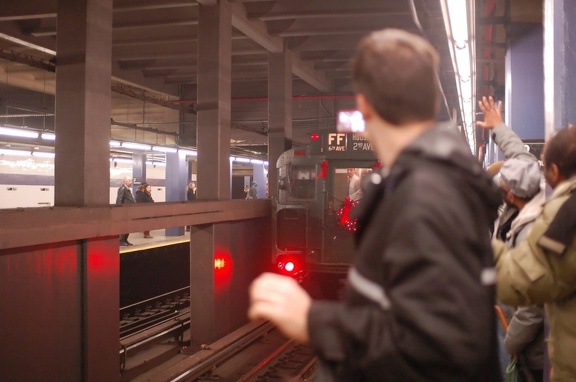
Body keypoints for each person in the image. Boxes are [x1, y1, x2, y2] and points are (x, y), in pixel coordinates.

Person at [249, 29, 503, 381]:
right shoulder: (423, 184)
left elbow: (442, 348)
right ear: (429, 103)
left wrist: (312, 320)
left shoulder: (428, 195)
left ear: (365, 104)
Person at [490, 124, 576, 381]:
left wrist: (470, 233)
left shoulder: (564, 216)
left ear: (554, 171)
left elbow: (520, 283)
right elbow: (522, 160)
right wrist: (498, 128)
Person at [477, 95, 545, 382]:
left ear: (512, 195)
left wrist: (509, 344)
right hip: (508, 311)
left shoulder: (530, 232)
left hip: (522, 334)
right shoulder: (532, 180)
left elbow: (532, 311)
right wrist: (498, 127)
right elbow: (521, 155)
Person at [116, 175, 136, 246]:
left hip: (129, 211)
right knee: (124, 226)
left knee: (128, 226)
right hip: (124, 211)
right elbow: (119, 200)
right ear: (126, 181)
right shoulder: (122, 189)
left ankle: (125, 239)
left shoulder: (127, 189)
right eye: (130, 181)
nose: (131, 182)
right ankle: (121, 240)